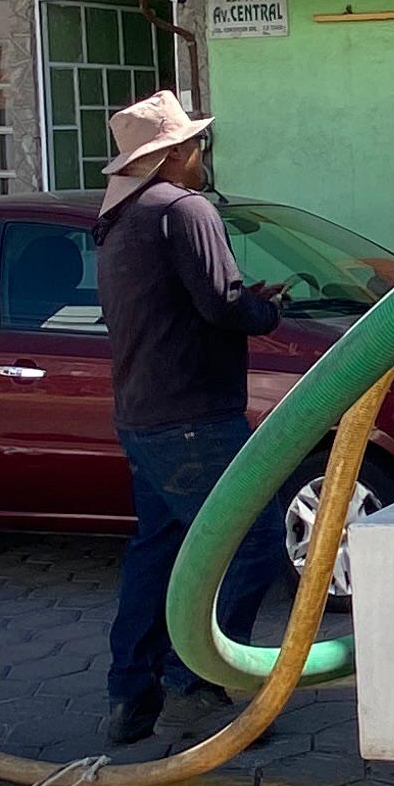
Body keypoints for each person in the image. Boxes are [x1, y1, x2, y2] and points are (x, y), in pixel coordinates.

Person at [92, 88, 292, 747]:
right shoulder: (185, 209)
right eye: (197, 144)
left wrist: (235, 302)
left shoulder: (123, 219)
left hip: (143, 413)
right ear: (176, 154)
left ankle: (131, 695)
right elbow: (222, 308)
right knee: (252, 543)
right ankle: (194, 684)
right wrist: (262, 312)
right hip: (194, 416)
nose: (204, 154)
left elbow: (187, 303)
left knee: (162, 548)